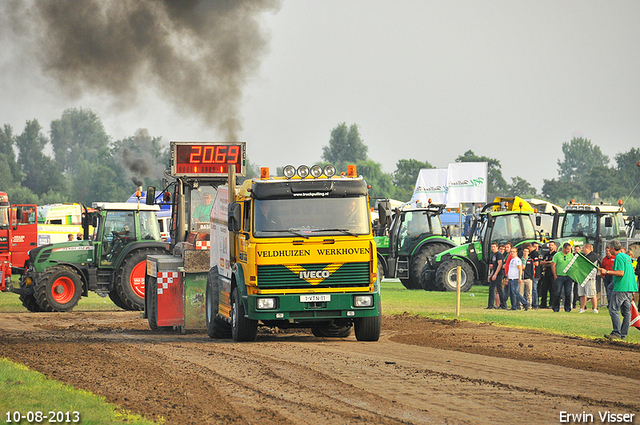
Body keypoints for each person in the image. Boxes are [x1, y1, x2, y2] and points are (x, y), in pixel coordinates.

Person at [600, 240, 637, 340]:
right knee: (626, 313)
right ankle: (623, 334)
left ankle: (616, 332)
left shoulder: (619, 257)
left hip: (621, 287)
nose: (607, 249)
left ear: (612, 248)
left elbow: (620, 273)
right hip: (629, 287)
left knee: (613, 309)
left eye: (608, 247)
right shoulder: (625, 256)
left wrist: (606, 271)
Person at [552, 242, 575, 313]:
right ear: (564, 248)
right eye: (567, 249)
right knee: (557, 292)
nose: (569, 251)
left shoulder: (571, 256)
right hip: (559, 276)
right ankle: (556, 308)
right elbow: (553, 265)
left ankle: (567, 308)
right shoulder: (557, 255)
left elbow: (574, 265)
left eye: (570, 249)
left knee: (568, 293)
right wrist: (555, 275)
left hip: (568, 277)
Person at [579, 243, 598, 313]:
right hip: (581, 277)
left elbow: (585, 263)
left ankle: (595, 308)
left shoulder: (593, 256)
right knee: (582, 294)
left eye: (583, 248)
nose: (582, 249)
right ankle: (582, 308)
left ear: (587, 248)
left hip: (590, 278)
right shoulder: (583, 255)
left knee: (592, 293)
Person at [486, 242, 505, 309]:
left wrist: (495, 274)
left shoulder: (499, 255)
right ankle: (490, 305)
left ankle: (503, 305)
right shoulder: (494, 255)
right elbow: (494, 267)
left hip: (499, 274)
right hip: (494, 274)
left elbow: (500, 264)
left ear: (497, 247)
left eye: (494, 247)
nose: (493, 248)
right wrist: (491, 275)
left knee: (499, 289)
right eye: (492, 247)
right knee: (491, 288)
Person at [539, 241, 557, 309]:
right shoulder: (546, 254)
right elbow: (541, 262)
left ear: (554, 246)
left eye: (552, 245)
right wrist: (548, 262)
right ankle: (543, 303)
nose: (550, 246)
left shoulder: (555, 254)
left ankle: (552, 303)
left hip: (552, 273)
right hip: (546, 274)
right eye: (549, 245)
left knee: (552, 289)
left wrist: (547, 263)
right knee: (544, 289)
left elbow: (554, 263)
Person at [529, 241, 541, 309]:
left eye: (537, 247)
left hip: (535, 274)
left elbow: (536, 264)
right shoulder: (531, 253)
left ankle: (535, 304)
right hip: (531, 274)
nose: (536, 248)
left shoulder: (535, 253)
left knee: (534, 289)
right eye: (535, 246)